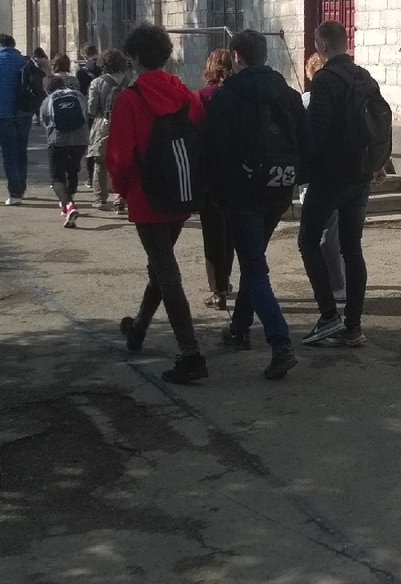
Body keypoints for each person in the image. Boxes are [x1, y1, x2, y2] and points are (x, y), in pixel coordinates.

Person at [108, 23, 208, 385]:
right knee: (160, 266)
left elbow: (120, 156)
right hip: (180, 192)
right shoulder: (184, 93)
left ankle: (190, 353)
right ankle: (138, 329)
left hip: (146, 194)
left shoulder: (130, 99)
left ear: (134, 58)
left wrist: (122, 190)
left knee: (166, 271)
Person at [206, 29, 307, 380]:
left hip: (242, 194)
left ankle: (280, 342)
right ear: (265, 55)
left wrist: (217, 192)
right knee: (254, 261)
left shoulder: (227, 96)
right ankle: (238, 329)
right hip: (278, 189)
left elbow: (215, 150)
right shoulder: (289, 95)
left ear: (237, 57)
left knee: (254, 268)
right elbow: (305, 141)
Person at [296, 20, 383, 348]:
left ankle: (328, 315)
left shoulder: (325, 80)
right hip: (360, 175)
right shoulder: (365, 77)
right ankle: (353, 326)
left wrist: (301, 169)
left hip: (330, 177)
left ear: (322, 45)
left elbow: (316, 132)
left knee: (308, 241)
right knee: (352, 248)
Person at [301, 51, 345, 305]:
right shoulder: (345, 95)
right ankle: (341, 280)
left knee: (320, 235)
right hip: (344, 172)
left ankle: (335, 284)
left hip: (317, 175)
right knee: (337, 233)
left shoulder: (308, 100)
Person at [197, 47, 236, 309]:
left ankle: (218, 290)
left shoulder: (202, 96)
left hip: (209, 172)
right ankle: (226, 280)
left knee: (212, 233)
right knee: (229, 232)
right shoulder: (238, 94)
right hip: (236, 171)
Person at [0, 35, 37, 205]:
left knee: (9, 152)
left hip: (2, 112)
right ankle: (21, 186)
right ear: (14, 45)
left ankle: (15, 192)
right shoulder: (25, 61)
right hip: (24, 111)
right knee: (21, 149)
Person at [39, 60, 89, 228]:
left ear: (47, 89)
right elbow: (86, 114)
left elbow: (45, 122)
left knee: (56, 178)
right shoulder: (78, 95)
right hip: (80, 140)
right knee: (73, 170)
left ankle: (69, 205)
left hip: (58, 140)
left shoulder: (48, 100)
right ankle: (69, 202)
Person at [86, 48, 129, 214]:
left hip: (103, 125)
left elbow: (91, 108)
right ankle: (120, 199)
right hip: (125, 124)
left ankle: (100, 199)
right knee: (123, 163)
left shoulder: (97, 83)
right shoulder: (130, 81)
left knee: (100, 163)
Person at [77, 44, 102, 188]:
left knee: (91, 145)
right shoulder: (105, 67)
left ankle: (91, 177)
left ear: (84, 55)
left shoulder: (82, 72)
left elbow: (81, 93)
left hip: (91, 110)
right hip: (107, 110)